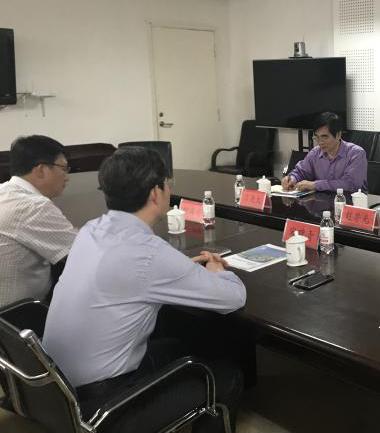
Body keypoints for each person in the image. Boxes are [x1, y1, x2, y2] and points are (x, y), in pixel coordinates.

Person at [43, 147, 246, 432]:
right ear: (155, 193)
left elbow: (132, 273)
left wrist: (176, 269)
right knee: (227, 376)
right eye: (168, 184)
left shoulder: (92, 229)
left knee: (176, 346)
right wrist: (217, 271)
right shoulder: (148, 254)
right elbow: (234, 298)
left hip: (55, 388)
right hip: (103, 406)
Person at [0, 135, 77, 307]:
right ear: (41, 169)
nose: (67, 177)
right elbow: (81, 251)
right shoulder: (33, 206)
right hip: (15, 314)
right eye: (64, 168)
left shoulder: (4, 191)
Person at [281, 111, 367, 193]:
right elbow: (301, 172)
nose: (320, 142)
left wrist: (315, 185)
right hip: (322, 201)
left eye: (324, 137)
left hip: (350, 201)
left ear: (338, 135)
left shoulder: (356, 154)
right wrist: (292, 179)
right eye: (317, 137)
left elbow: (350, 184)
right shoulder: (315, 153)